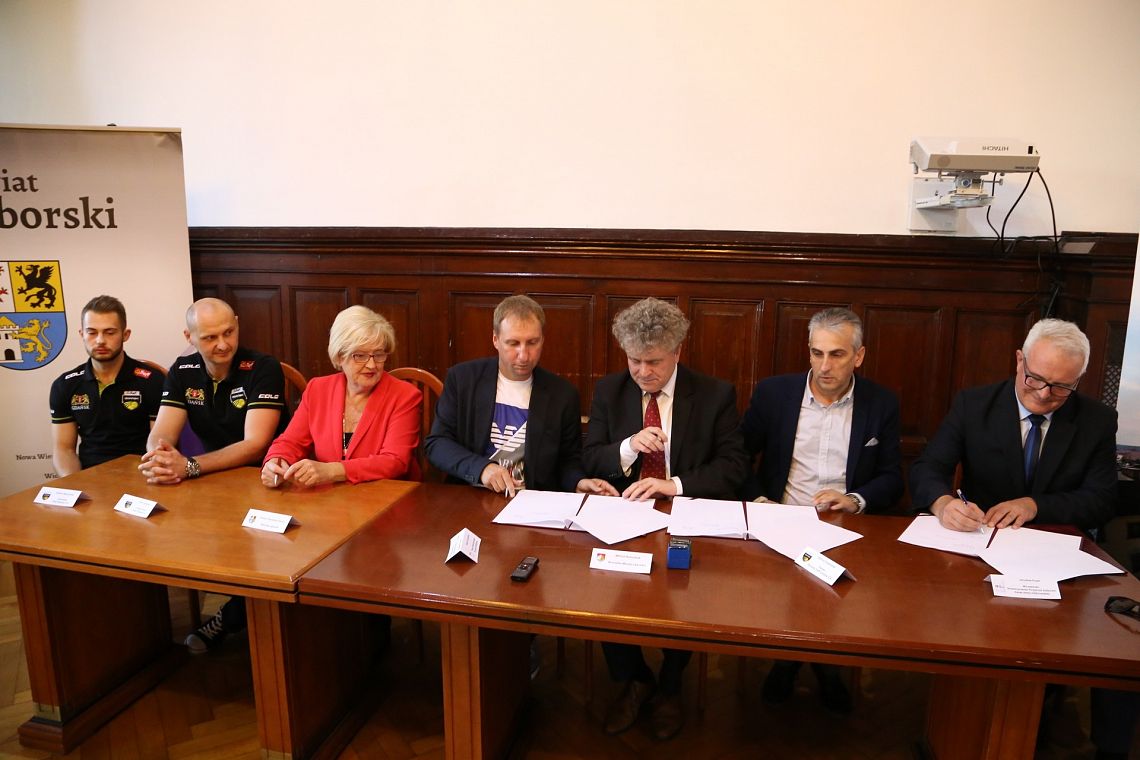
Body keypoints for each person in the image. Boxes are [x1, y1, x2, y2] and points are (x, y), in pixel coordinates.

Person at [910, 318, 1134, 759]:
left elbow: (1101, 500)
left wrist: (1035, 505)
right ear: (1019, 361)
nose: (1044, 394)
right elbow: (927, 468)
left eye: (1061, 387)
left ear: (1078, 380)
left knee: (1111, 650)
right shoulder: (975, 405)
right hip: (981, 553)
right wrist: (942, 502)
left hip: (1059, 557)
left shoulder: (1096, 420)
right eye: (1035, 378)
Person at [583, 297, 748, 741]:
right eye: (634, 361)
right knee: (603, 594)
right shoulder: (610, 391)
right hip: (624, 517)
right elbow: (590, 456)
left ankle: (671, 685)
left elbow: (734, 467)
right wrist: (627, 448)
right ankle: (635, 679)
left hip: (687, 518)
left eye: (653, 361)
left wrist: (672, 484)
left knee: (687, 595)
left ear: (677, 351)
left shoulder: (714, 395)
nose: (642, 372)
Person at [740, 307, 903, 714]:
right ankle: (787, 661)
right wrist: (760, 502)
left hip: (845, 527)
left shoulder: (881, 403)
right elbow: (736, 458)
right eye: (817, 353)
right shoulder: (775, 394)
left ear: (858, 356)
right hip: (781, 520)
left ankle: (827, 665)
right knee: (782, 600)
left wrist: (856, 499)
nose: (824, 366)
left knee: (840, 603)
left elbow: (892, 478)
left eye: (837, 355)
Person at [140, 297, 289, 654]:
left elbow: (255, 445)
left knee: (257, 555)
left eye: (229, 332)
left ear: (237, 324)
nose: (223, 344)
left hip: (267, 481)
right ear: (189, 337)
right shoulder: (183, 369)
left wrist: (190, 466)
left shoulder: (263, 367)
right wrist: (160, 456)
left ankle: (238, 617)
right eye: (209, 337)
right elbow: (161, 433)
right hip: (213, 483)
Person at [425, 294, 615, 496]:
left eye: (532, 342)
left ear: (543, 340)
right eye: (513, 343)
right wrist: (482, 469)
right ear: (496, 340)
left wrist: (578, 482)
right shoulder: (463, 379)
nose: (524, 355)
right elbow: (437, 443)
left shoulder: (563, 395)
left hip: (530, 501)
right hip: (470, 495)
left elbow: (568, 461)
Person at [261, 305, 422, 487]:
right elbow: (291, 442)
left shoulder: (404, 395)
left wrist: (333, 471)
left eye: (378, 355)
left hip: (386, 495)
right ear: (339, 356)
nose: (371, 365)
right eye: (359, 356)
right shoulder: (318, 389)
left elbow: (395, 462)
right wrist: (276, 462)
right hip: (331, 497)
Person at [49, 295, 164, 475]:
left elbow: (160, 446)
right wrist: (74, 482)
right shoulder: (65, 385)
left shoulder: (152, 380)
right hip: (89, 477)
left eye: (109, 332)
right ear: (82, 334)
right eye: (92, 332)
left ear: (125, 335)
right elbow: (64, 450)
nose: (100, 340)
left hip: (141, 475)